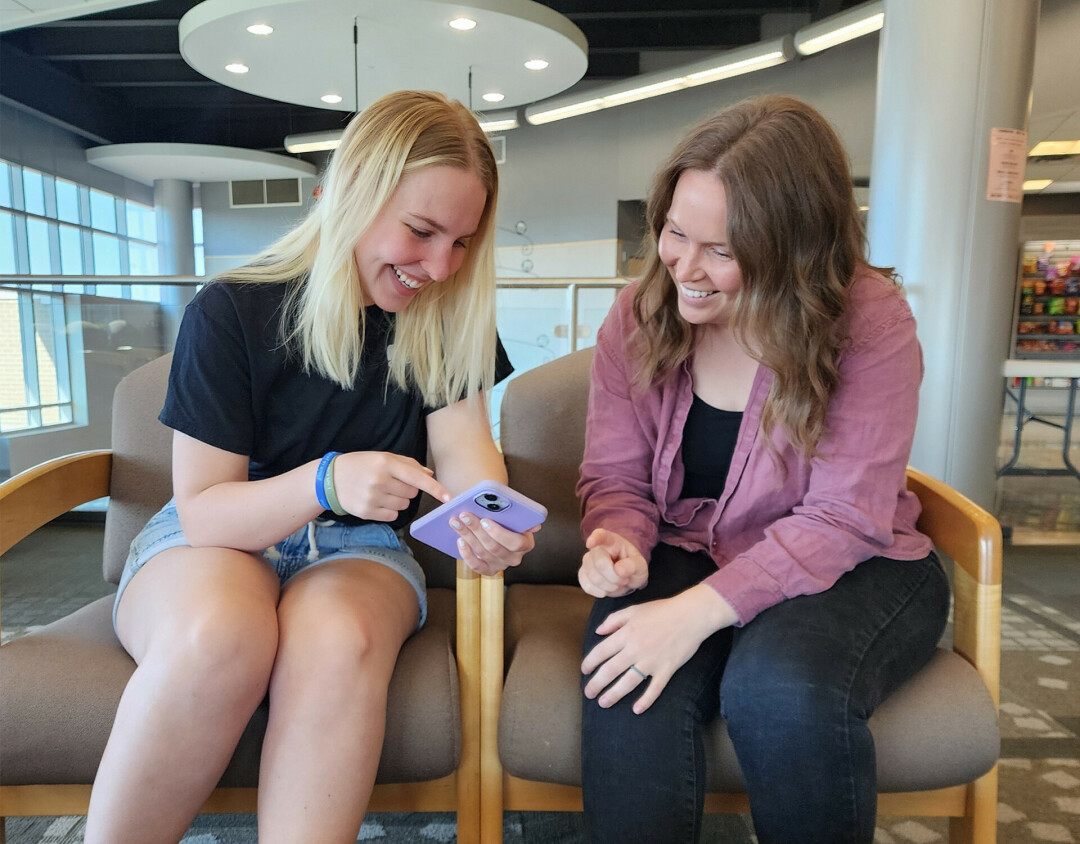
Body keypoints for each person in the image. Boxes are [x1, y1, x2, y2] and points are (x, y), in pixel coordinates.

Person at [84, 90, 535, 844]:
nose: (439, 266)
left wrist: (489, 523)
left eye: (460, 243)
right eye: (421, 232)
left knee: (336, 642)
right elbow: (204, 511)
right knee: (221, 635)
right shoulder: (232, 311)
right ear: (353, 194)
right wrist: (326, 479)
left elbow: (467, 462)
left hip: (361, 550)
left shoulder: (447, 318)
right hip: (222, 541)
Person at [576, 94, 949, 844]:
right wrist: (615, 538)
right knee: (623, 687)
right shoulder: (638, 314)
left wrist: (697, 613)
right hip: (688, 545)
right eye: (677, 233)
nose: (686, 266)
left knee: (779, 689)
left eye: (723, 250)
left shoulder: (870, 322)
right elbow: (616, 476)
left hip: (855, 562)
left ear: (794, 250)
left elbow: (844, 517)